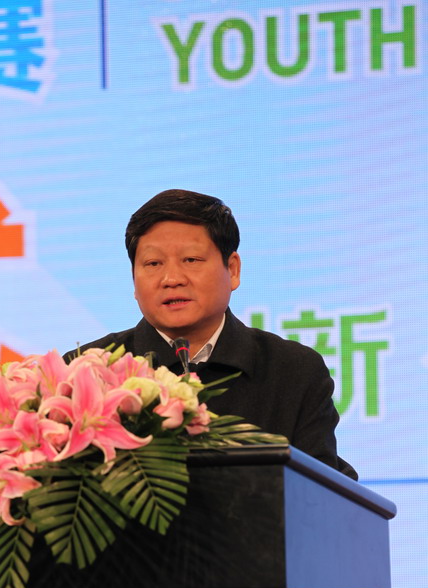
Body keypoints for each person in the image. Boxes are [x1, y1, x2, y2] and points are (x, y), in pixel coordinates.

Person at [67, 189, 357, 479]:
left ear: (232, 269)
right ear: (134, 278)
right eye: (153, 264)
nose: (172, 279)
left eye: (191, 260)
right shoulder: (87, 372)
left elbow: (321, 491)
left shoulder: (293, 371)